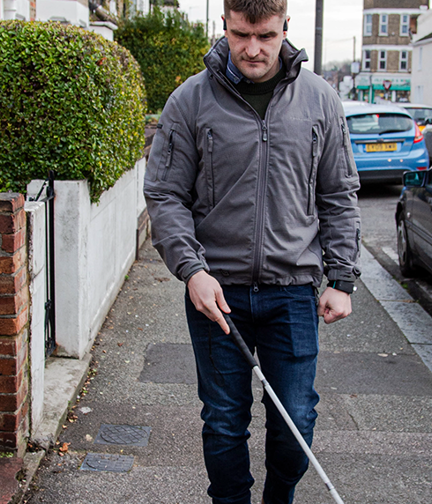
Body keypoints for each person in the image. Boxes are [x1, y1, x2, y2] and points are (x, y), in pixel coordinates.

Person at [144, 1, 361, 503]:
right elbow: (165, 194)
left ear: (286, 26)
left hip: (293, 293)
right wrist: (192, 270)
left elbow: (338, 193)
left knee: (296, 423)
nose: (253, 49)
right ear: (225, 24)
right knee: (223, 423)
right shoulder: (190, 101)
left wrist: (342, 278)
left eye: (265, 35)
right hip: (216, 292)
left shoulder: (320, 101)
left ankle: (278, 497)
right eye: (241, 35)